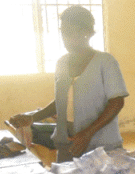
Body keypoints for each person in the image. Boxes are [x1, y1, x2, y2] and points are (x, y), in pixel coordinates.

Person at [9, 5, 128, 162]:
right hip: (67, 144)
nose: (67, 37)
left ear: (88, 33)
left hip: (101, 145)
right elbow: (61, 101)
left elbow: (117, 102)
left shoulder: (105, 62)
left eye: (73, 32)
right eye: (63, 32)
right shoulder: (62, 63)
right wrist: (31, 117)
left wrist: (87, 133)